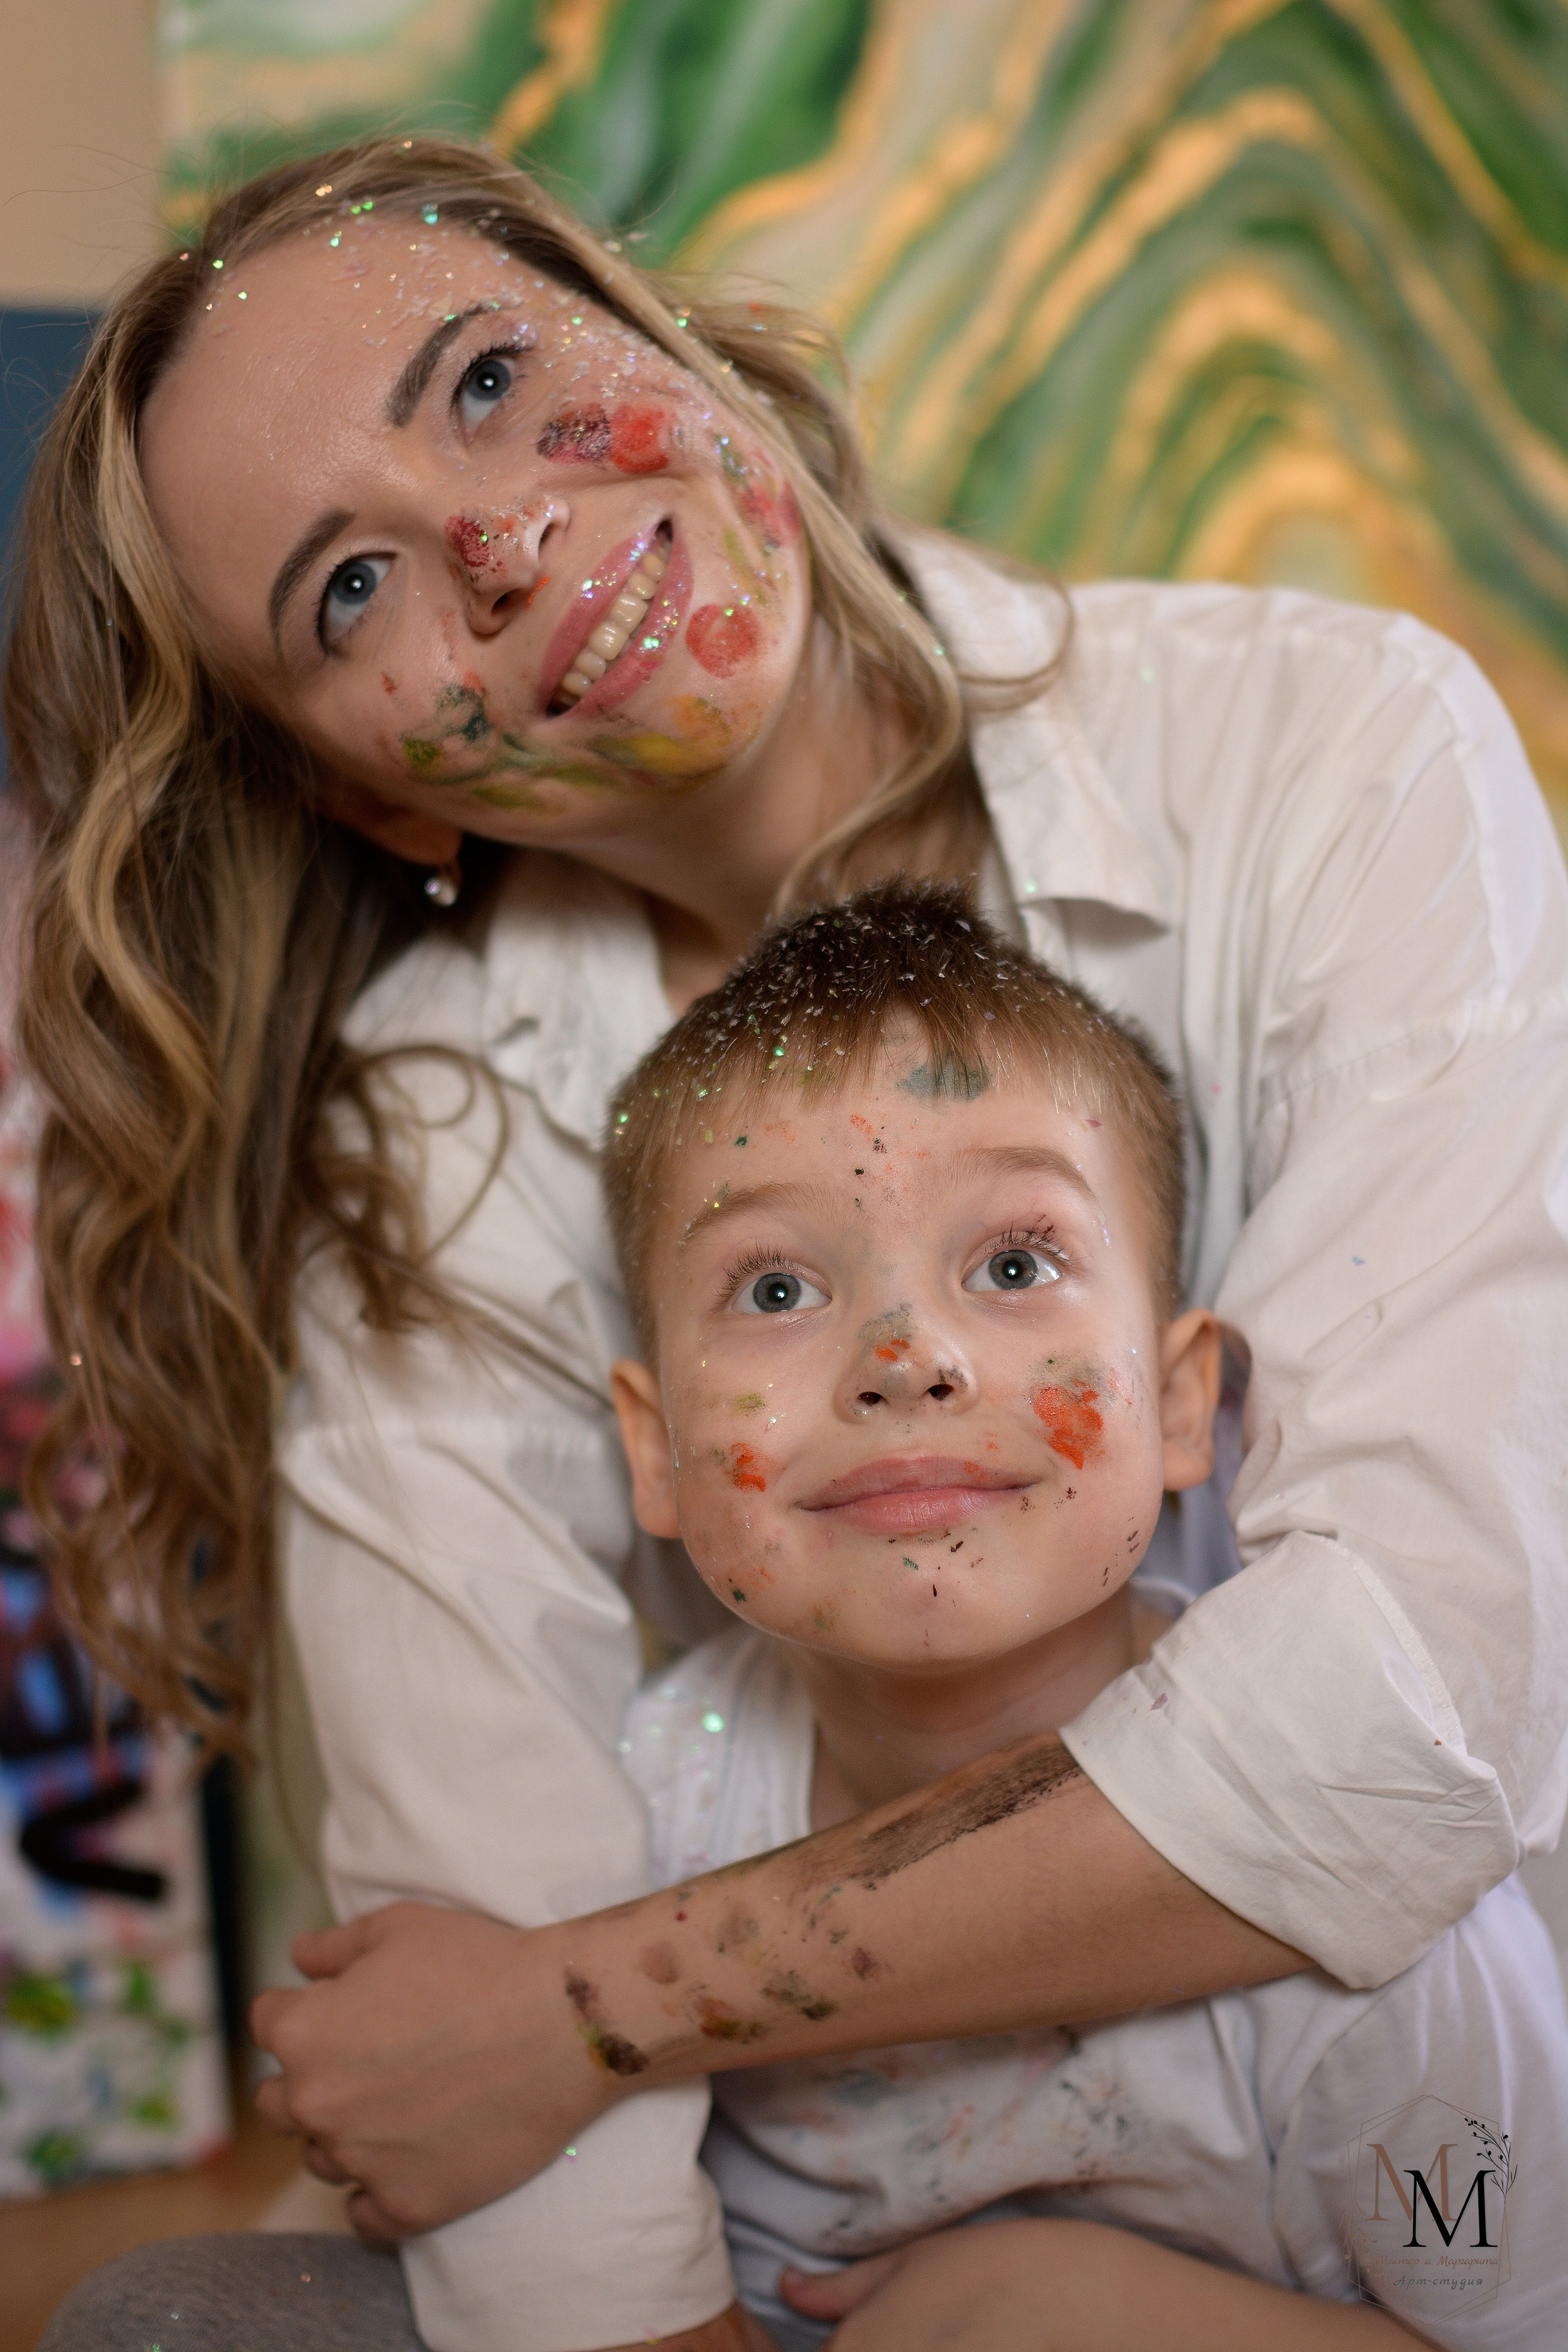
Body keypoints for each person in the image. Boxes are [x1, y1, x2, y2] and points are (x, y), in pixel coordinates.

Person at [9, 130, 1564, 2352]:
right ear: (369, 792)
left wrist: (600, 2005)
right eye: (351, 591)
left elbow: (1411, 1720)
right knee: (175, 2319)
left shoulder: (1334, 747)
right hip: (795, 2246)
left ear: (669, 339)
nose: (503, 543)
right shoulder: (426, 1142)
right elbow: (470, 2037)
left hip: (1380, 2195)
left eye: (488, 381)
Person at [606, 883, 1568, 2352]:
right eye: (779, 1285)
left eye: (1013, 1265)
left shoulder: (1384, 1921)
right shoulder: (635, 1816)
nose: (904, 1355)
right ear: (653, 1448)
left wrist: (1083, 2317)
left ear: (1182, 1406)